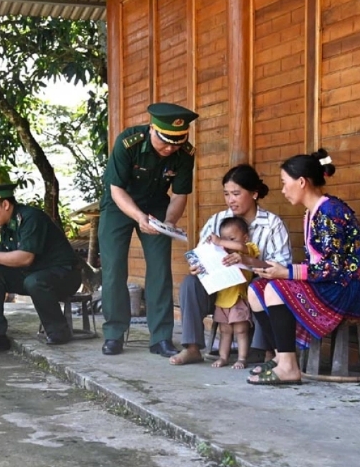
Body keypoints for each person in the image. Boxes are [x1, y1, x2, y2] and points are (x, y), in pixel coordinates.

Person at [247, 149, 360, 385]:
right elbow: (317, 266)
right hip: (332, 284)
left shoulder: (330, 211)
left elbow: (334, 268)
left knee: (275, 289)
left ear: (301, 182)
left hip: (352, 289)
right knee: (256, 290)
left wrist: (286, 272)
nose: (283, 190)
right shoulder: (312, 213)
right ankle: (280, 358)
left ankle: (289, 367)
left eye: (285, 183)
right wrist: (278, 271)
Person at [98, 102, 198, 357]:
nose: (170, 149)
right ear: (153, 129)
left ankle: (161, 338)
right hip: (119, 206)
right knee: (114, 268)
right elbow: (116, 189)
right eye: (165, 142)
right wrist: (139, 216)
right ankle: (113, 334)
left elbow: (179, 194)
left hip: (157, 205)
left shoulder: (184, 153)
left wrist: (170, 221)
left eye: (176, 143)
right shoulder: (128, 143)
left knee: (160, 269)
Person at [170, 164, 292, 366]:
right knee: (190, 283)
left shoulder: (272, 224)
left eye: (236, 193)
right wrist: (197, 266)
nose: (230, 200)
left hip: (253, 286)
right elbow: (202, 254)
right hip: (221, 289)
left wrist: (248, 263)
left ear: (254, 193)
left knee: (265, 287)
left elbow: (281, 267)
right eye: (226, 194)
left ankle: (263, 350)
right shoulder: (217, 220)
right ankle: (192, 348)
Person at [0, 182, 81, 354]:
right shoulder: (7, 227)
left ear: (5, 204)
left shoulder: (31, 218)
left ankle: (59, 331)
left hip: (65, 275)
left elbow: (25, 258)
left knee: (34, 281)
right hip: (32, 276)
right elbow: (2, 259)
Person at [205, 216, 260, 369]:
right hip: (222, 300)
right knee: (225, 331)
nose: (227, 243)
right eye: (223, 238)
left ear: (245, 238)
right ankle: (223, 357)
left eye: (232, 239)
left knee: (241, 330)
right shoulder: (221, 255)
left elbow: (242, 248)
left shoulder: (249, 249)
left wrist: (220, 241)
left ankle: (242, 358)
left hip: (239, 299)